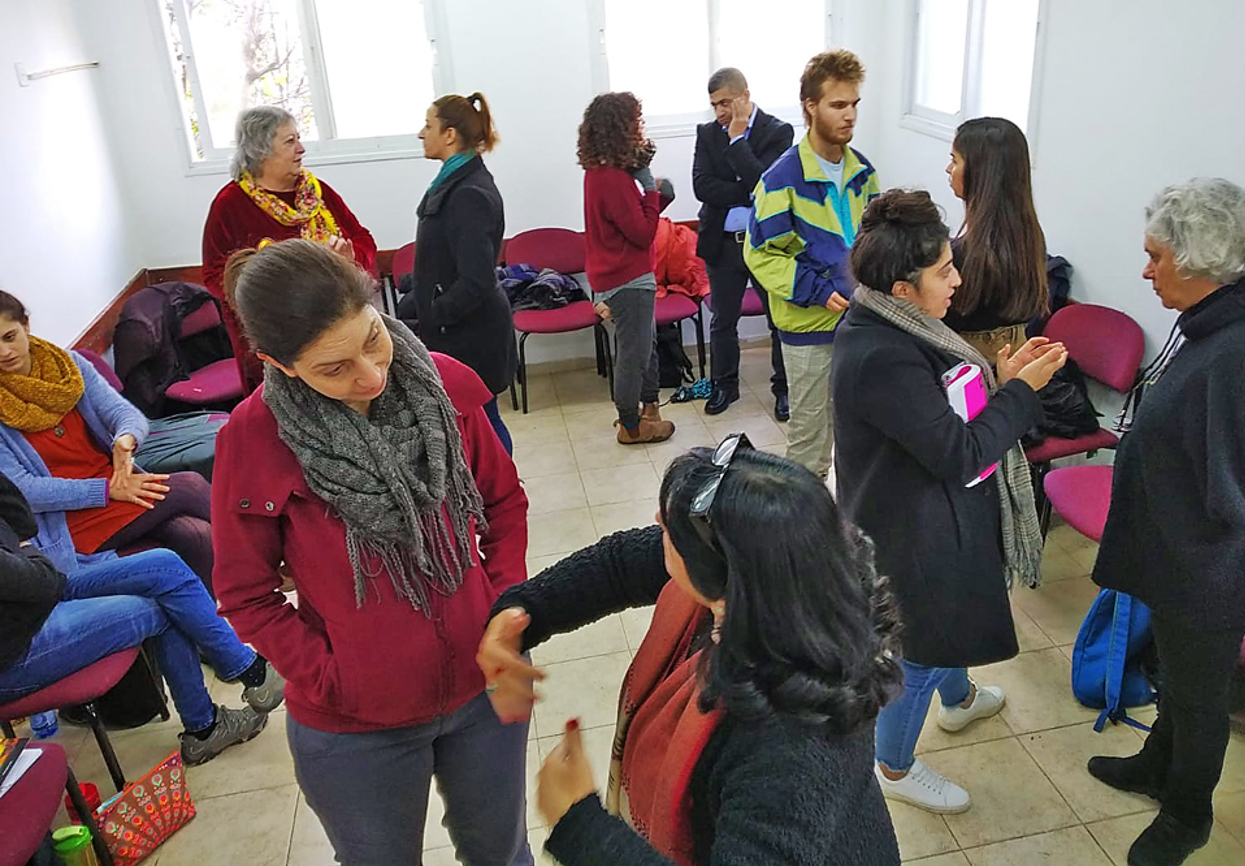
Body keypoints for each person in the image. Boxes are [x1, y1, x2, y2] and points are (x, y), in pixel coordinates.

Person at [211, 239, 532, 866]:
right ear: (278, 362)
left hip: (485, 686)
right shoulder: (253, 439)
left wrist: (501, 604)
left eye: (373, 339)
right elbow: (245, 593)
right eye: (334, 368)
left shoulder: (445, 386)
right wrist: (333, 677)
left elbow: (503, 505)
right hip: (354, 726)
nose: (371, 375)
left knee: (504, 855)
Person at [478, 440, 904, 865]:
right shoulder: (781, 579)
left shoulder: (795, 741)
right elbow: (620, 564)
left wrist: (577, 822)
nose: (657, 522)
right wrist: (524, 611)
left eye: (668, 532)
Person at [1086, 179, 1245, 866]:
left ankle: (1186, 816)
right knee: (1177, 674)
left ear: (1200, 259)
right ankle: (1156, 765)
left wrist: (1202, 504)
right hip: (1183, 550)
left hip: (1214, 565)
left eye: (1155, 257)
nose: (1145, 271)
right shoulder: (1220, 319)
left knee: (1202, 696)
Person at [831, 190, 1066, 813]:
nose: (958, 280)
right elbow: (961, 452)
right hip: (907, 526)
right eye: (944, 272)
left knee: (955, 614)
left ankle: (958, 701)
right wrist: (1020, 393)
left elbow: (948, 411)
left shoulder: (900, 323)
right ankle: (894, 765)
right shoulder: (879, 352)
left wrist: (997, 378)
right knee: (923, 645)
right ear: (903, 289)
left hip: (933, 507)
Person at [0, 472, 282, 766]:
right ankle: (206, 726)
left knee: (165, 565)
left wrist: (24, 550)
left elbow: (23, 523)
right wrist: (26, 552)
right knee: (161, 608)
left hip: (36, 598)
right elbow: (40, 577)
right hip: (16, 647)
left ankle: (249, 671)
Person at [0, 292, 216, 593]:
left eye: (9, 336)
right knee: (190, 485)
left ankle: (212, 628)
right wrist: (105, 490)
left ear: (26, 325)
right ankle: (265, 561)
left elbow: (123, 412)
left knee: (197, 535)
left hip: (116, 489)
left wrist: (125, 440)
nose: (4, 351)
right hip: (64, 520)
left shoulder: (68, 366)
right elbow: (25, 491)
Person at [745, 49, 880, 480]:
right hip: (809, 330)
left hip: (860, 325)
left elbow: (875, 246)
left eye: (854, 104)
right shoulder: (781, 179)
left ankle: (844, 536)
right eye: (838, 105)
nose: (850, 115)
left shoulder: (865, 174)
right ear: (811, 107)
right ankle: (800, 545)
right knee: (809, 447)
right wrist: (818, 289)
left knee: (861, 438)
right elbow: (762, 256)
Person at [201, 106, 377, 395]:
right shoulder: (230, 204)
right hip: (275, 342)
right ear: (260, 150)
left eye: (299, 139)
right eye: (290, 141)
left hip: (334, 329)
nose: (301, 149)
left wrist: (347, 261)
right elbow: (214, 276)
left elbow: (363, 239)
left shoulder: (316, 192)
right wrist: (272, 281)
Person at [414, 92, 518, 455]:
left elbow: (476, 279)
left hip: (471, 335)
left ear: (450, 134)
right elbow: (446, 258)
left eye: (428, 126)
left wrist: (435, 314)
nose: (420, 134)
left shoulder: (467, 193)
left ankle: (503, 494)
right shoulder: (455, 182)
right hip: (463, 329)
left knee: (485, 424)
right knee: (478, 423)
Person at [691, 67, 793, 420]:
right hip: (722, 243)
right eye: (714, 104)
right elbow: (702, 187)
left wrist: (737, 142)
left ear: (744, 97)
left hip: (765, 244)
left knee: (778, 319)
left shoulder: (778, 131)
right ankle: (725, 385)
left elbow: (768, 185)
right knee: (722, 320)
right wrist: (746, 192)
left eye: (724, 103)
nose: (719, 112)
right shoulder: (706, 134)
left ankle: (784, 389)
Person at [578, 92, 676, 444]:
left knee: (643, 346)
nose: (641, 128)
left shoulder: (599, 172)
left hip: (618, 275)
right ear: (622, 127)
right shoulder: (612, 178)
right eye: (636, 122)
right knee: (634, 355)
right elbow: (641, 232)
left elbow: (627, 220)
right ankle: (630, 426)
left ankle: (650, 409)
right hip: (628, 278)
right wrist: (650, 189)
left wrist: (651, 197)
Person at [943, 117, 1049, 363]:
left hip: (966, 369)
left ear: (980, 172)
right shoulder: (1031, 240)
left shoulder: (960, 256)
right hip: (1017, 363)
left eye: (954, 160)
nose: (949, 169)